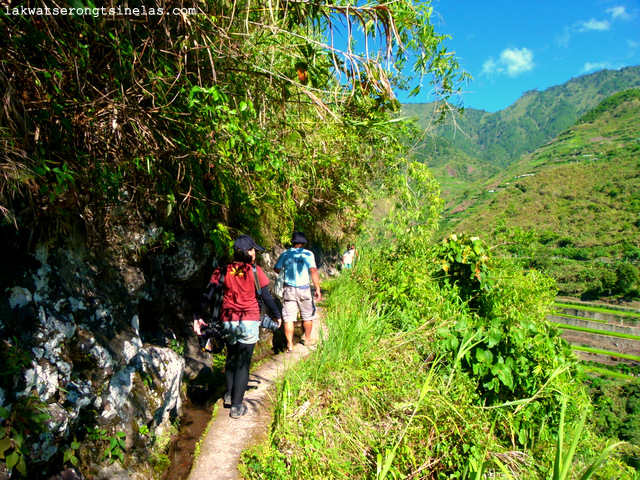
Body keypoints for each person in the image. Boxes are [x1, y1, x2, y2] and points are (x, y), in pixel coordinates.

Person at [198, 235, 282, 419]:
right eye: (254, 250)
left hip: (227, 320)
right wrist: (277, 315)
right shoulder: (254, 271)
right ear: (248, 252)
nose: (255, 253)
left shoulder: (222, 270)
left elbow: (208, 293)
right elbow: (267, 297)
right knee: (243, 363)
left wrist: (198, 315)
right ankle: (237, 406)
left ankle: (228, 395)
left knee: (231, 357)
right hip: (249, 320)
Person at [274, 232, 322, 352]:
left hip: (289, 289)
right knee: (307, 316)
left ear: (293, 242)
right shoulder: (308, 254)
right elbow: (313, 271)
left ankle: (290, 345)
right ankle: (307, 339)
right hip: (304, 289)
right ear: (303, 243)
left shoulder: (285, 253)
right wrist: (318, 289)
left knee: (289, 318)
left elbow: (276, 269)